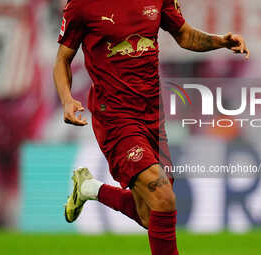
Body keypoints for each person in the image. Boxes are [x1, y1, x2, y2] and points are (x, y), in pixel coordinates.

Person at [53, 0, 249, 254]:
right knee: (164, 197)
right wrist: (67, 100)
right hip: (116, 117)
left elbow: (185, 35)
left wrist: (221, 41)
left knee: (150, 214)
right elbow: (62, 60)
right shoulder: (82, 4)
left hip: (153, 115)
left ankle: (89, 188)